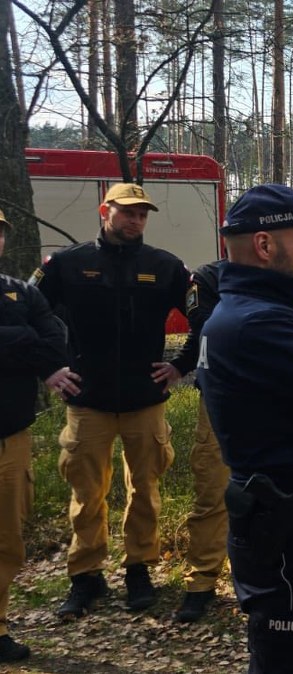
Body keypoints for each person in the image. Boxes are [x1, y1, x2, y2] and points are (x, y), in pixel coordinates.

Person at [196, 184, 293, 673]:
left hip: (285, 518)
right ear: (265, 246)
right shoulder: (258, 323)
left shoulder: (251, 313)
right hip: (286, 526)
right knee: (291, 661)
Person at [32, 182, 189, 620]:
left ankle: (139, 568)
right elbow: (30, 313)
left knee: (146, 489)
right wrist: (51, 368)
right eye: (128, 212)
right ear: (106, 210)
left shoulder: (165, 266)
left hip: (145, 399)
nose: (136, 220)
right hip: (89, 400)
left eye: (143, 213)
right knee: (87, 493)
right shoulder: (67, 264)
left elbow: (205, 314)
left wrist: (182, 363)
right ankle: (85, 576)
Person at [0, 209, 66, 661]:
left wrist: (17, 338)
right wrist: (21, 340)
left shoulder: (22, 292)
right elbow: (35, 344)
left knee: (6, 541)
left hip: (10, 438)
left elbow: (55, 342)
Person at [166, 258, 229, 623]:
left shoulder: (289, 272)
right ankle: (201, 582)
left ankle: (268, 576)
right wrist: (180, 364)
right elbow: (203, 326)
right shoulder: (209, 277)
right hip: (220, 397)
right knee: (212, 490)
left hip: (272, 396)